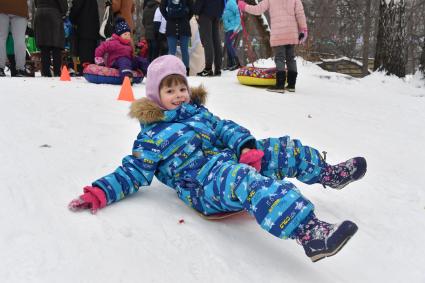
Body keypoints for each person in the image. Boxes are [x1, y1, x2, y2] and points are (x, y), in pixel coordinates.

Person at [69, 55, 367, 262]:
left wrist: (246, 147)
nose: (179, 94)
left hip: (228, 160)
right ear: (155, 96)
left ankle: (327, 173)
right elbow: (132, 172)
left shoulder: (200, 114)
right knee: (246, 180)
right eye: (169, 89)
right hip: (203, 185)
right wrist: (97, 193)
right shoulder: (152, 137)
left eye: (182, 87)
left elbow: (226, 129)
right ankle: (308, 232)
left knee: (277, 148)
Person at [238, 0, 308, 93]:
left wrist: (244, 6)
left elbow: (258, 10)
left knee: (280, 58)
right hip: (291, 33)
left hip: (278, 35)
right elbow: (300, 14)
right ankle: (291, 85)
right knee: (291, 58)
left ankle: (280, 85)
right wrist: (303, 29)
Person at [94, 17, 149, 82]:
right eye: (125, 34)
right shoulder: (114, 42)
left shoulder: (128, 44)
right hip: (115, 62)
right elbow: (101, 48)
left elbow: (131, 55)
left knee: (140, 60)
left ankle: (151, 72)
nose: (128, 36)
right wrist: (99, 59)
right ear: (119, 35)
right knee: (124, 60)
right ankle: (127, 77)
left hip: (128, 61)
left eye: (129, 34)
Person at [34, 0, 68, 77]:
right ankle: (57, 72)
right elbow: (64, 6)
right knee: (56, 44)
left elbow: (36, 3)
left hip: (40, 13)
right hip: (53, 14)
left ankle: (46, 71)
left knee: (44, 45)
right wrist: (63, 13)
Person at [160, 0, 193, 76]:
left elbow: (162, 8)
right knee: (184, 50)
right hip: (184, 24)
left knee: (171, 51)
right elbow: (192, 9)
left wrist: (168, 17)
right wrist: (186, 18)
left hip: (171, 25)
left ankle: (170, 71)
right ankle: (186, 72)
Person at [193, 0, 224, 77]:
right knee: (216, 40)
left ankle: (208, 68)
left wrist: (196, 11)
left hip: (205, 13)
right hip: (217, 12)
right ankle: (218, 69)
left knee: (207, 41)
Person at [0, 0, 31, 77]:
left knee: (1, 38)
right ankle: (20, 69)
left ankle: (0, 68)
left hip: (2, 6)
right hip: (20, 8)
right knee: (19, 39)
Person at [69, 0, 100, 75]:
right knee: (91, 54)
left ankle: (85, 72)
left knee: (85, 56)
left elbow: (76, 9)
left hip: (83, 29)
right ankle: (91, 72)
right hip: (93, 29)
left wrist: (71, 17)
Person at [222, 0, 241, 71]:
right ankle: (231, 64)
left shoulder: (231, 2)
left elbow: (238, 13)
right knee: (227, 44)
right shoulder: (225, 3)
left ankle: (237, 62)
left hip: (233, 27)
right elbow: (225, 15)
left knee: (228, 44)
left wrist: (237, 26)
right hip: (228, 28)